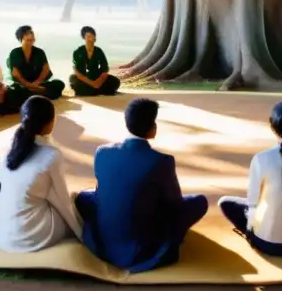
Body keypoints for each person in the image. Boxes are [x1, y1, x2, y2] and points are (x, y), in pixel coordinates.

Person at [75, 98, 207, 272]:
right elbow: (174, 202)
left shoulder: (102, 152)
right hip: (141, 248)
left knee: (83, 197)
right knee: (198, 201)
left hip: (103, 244)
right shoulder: (162, 161)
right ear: (153, 127)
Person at [219, 101, 282, 257]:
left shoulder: (261, 158)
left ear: (272, 126)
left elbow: (252, 202)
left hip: (271, 245)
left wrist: (249, 230)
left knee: (225, 203)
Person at [0, 96, 83, 253]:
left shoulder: (9, 154)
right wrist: (81, 233)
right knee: (74, 201)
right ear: (51, 122)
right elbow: (63, 201)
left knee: (43, 190)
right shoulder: (52, 155)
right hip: (28, 235)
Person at [6, 25, 65, 109]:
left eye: (32, 40)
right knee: (14, 92)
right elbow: (16, 75)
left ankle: (34, 93)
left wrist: (37, 83)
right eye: (27, 40)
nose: (30, 42)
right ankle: (38, 93)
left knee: (59, 84)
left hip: (38, 84)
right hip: (23, 85)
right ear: (20, 39)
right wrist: (29, 85)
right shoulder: (15, 53)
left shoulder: (39, 52)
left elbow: (46, 70)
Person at [70, 26, 121, 96]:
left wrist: (98, 82)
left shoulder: (98, 51)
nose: (90, 39)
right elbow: (78, 73)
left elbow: (105, 69)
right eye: (88, 36)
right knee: (73, 79)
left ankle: (91, 91)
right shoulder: (78, 52)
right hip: (84, 79)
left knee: (115, 81)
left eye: (92, 36)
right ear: (84, 38)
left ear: (95, 37)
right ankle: (98, 90)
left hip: (97, 77)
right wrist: (93, 84)